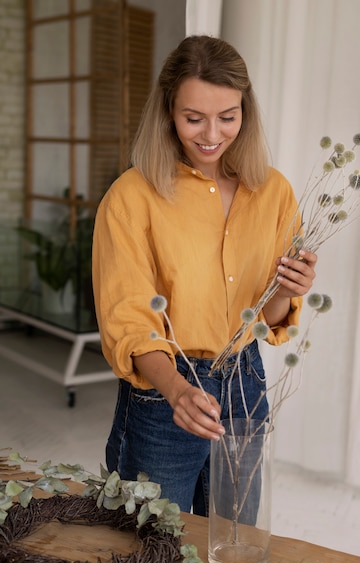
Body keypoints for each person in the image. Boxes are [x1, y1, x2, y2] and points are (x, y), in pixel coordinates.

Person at [92, 35, 317, 516]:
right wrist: (176, 389)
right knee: (151, 550)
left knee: (235, 542)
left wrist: (288, 290)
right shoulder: (131, 197)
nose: (211, 134)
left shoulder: (274, 192)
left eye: (227, 117)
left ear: (245, 112)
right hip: (163, 390)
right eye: (193, 118)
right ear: (168, 113)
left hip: (245, 381)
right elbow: (129, 320)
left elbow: (267, 316)